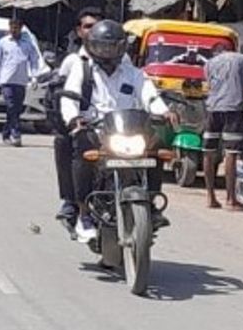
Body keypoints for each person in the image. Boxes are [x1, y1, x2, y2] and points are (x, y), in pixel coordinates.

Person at [61, 19, 175, 242]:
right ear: (92, 46)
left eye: (112, 46)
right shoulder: (82, 69)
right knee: (83, 153)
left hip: (128, 129)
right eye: (102, 46)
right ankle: (84, 213)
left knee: (156, 150)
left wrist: (164, 112)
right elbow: (69, 97)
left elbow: (149, 95)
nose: (107, 51)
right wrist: (74, 119)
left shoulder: (134, 73)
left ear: (121, 46)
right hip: (95, 129)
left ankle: (151, 204)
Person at [52, 8, 102, 226]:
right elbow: (62, 96)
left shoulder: (121, 60)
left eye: (97, 26)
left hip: (112, 126)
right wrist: (72, 120)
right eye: (88, 26)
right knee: (66, 144)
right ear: (79, 31)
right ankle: (73, 202)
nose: (93, 31)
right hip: (82, 124)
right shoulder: (74, 61)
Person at [203, 44, 243, 210]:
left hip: (213, 108)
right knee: (231, 153)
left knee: (208, 151)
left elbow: (210, 85)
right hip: (233, 108)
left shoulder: (209, 63)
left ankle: (210, 197)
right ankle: (230, 199)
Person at [0, 18, 40, 147]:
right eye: (12, 27)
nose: (14, 30)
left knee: (17, 110)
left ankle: (6, 132)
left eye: (16, 28)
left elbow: (34, 61)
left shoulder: (27, 44)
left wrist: (34, 77)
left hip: (21, 81)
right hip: (6, 81)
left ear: (20, 28)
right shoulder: (3, 42)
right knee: (11, 106)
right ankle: (16, 134)